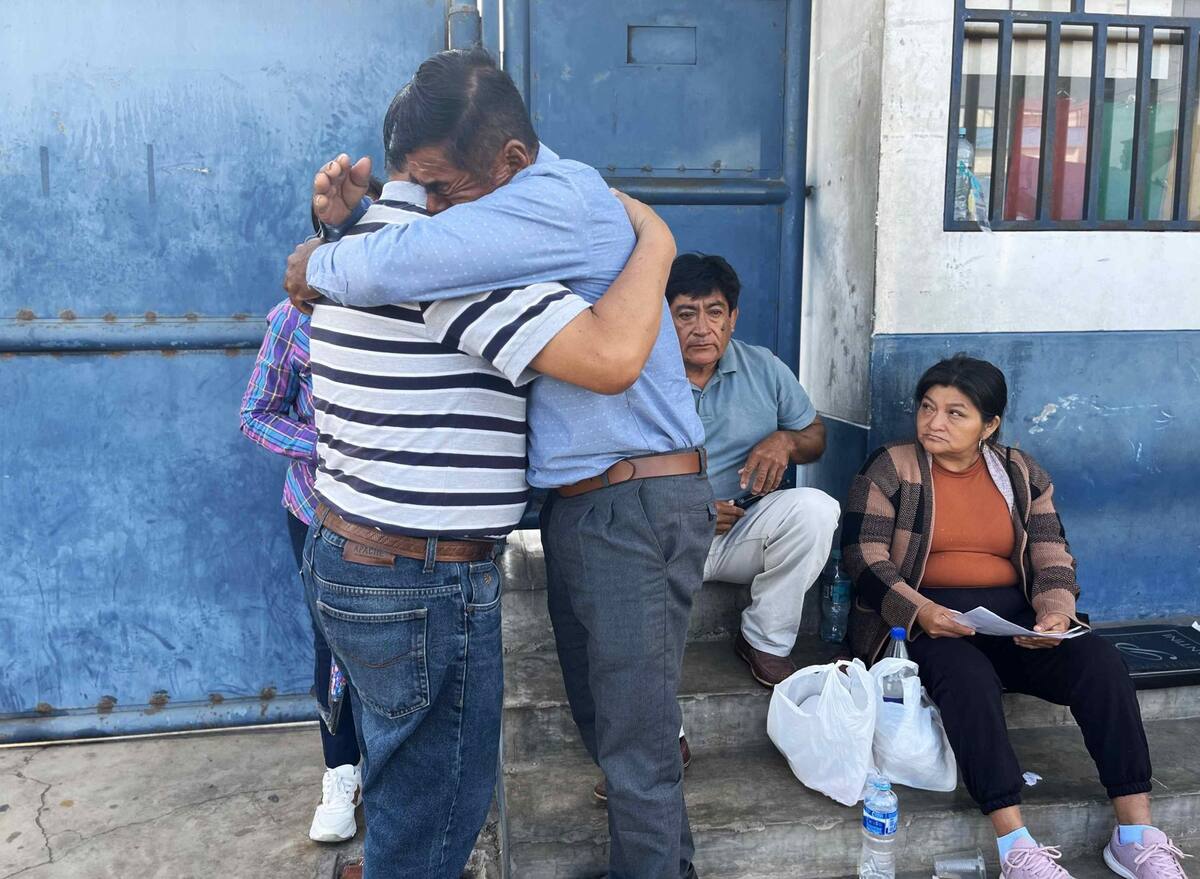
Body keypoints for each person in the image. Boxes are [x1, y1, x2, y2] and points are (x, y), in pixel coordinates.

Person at [285, 47, 710, 879]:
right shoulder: (499, 222)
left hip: (637, 497)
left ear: (509, 162)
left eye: (445, 187)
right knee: (602, 733)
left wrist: (316, 262)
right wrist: (354, 221)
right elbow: (419, 249)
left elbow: (412, 262)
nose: (438, 210)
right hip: (586, 504)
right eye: (424, 190)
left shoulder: (537, 210)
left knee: (635, 751)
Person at [840, 354, 1192, 879]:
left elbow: (1052, 554)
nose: (935, 422)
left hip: (1011, 618)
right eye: (927, 408)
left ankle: (1135, 834)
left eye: (956, 413)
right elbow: (863, 558)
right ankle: (1016, 846)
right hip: (921, 617)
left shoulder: (1020, 472)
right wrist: (923, 611)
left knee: (1099, 662)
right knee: (967, 677)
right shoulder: (892, 466)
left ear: (990, 424)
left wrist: (1054, 615)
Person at [237, 181, 385, 844]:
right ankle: (340, 769)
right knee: (333, 645)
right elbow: (255, 413)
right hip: (318, 510)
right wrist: (321, 445)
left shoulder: (410, 313)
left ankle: (393, 769)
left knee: (400, 640)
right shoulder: (292, 318)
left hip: (401, 517)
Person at [669, 254, 839, 686]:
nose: (702, 328)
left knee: (815, 509)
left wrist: (786, 440)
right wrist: (688, 509)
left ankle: (765, 641)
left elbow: (814, 436)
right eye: (686, 314)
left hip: (743, 527)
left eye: (715, 312)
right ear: (661, 319)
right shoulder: (638, 377)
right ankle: (654, 706)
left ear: (733, 318)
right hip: (665, 536)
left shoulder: (762, 367)